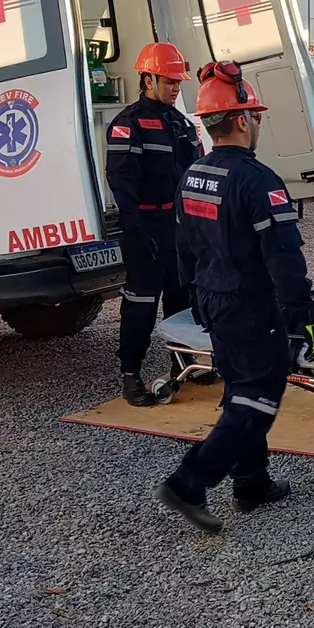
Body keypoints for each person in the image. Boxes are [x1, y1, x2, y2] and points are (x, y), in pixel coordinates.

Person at [155, 61, 314, 533]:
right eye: (257, 117)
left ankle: (251, 481)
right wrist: (301, 312)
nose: (258, 126)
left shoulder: (192, 176)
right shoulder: (259, 180)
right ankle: (190, 480)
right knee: (260, 395)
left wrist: (198, 297)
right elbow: (283, 255)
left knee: (240, 388)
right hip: (250, 306)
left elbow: (184, 248)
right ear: (243, 119)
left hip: (213, 301)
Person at [107, 42, 203, 407]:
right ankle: (131, 375)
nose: (176, 87)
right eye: (169, 81)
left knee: (182, 299)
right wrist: (132, 229)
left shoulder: (179, 121)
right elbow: (121, 179)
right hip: (145, 227)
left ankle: (183, 362)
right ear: (148, 79)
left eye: (178, 82)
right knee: (141, 304)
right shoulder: (128, 124)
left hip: (177, 227)